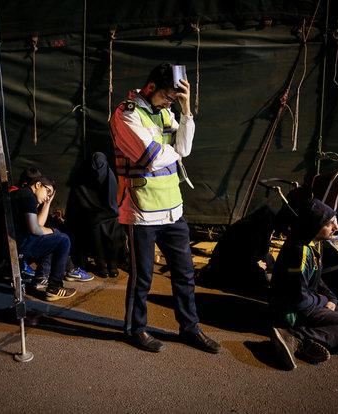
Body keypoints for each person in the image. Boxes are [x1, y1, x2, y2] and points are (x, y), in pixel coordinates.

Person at [109, 62, 221, 354]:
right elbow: (150, 158)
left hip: (173, 209)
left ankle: (190, 328)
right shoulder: (126, 113)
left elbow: (185, 148)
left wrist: (186, 111)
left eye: (175, 98)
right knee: (142, 277)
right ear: (150, 87)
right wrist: (169, 149)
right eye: (168, 96)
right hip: (141, 211)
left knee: (184, 274)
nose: (171, 101)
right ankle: (135, 329)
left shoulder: (165, 112)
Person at [269, 199, 338, 370]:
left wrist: (331, 298)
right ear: (314, 225)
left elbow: (317, 280)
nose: (336, 227)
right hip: (294, 311)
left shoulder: (315, 243)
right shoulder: (300, 252)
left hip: (310, 302)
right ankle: (295, 336)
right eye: (330, 223)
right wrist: (324, 302)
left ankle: (309, 340)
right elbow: (297, 300)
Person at [11, 176, 85, 301]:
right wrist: (52, 231)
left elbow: (38, 225)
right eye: (48, 192)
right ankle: (54, 288)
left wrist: (47, 203)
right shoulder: (28, 196)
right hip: (19, 246)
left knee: (53, 237)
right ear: (38, 184)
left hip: (15, 242)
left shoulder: (23, 194)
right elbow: (35, 229)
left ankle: (41, 278)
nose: (48, 196)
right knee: (63, 239)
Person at [65, 152, 125, 278]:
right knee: (96, 231)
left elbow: (115, 201)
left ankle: (112, 264)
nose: (98, 172)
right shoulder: (83, 179)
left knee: (115, 234)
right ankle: (101, 264)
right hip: (92, 216)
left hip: (111, 214)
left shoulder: (110, 177)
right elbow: (79, 201)